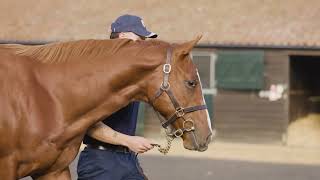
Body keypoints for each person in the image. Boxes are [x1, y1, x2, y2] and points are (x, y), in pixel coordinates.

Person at [77, 14, 158, 180]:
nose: (143, 44)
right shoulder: (98, 73)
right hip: (100, 163)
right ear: (122, 37)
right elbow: (89, 124)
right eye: (140, 38)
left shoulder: (132, 74)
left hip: (127, 159)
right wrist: (129, 141)